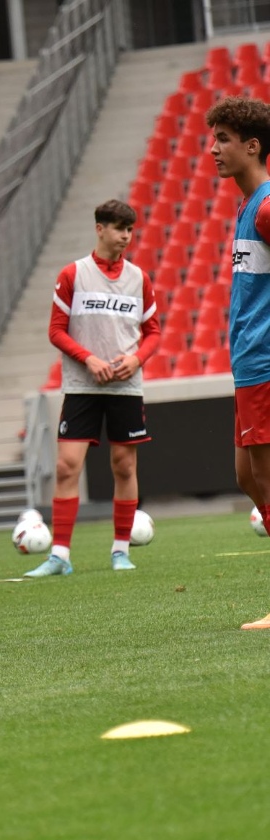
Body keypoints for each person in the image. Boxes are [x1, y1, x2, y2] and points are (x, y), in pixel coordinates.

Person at [24, 199, 159, 578]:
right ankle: (60, 556)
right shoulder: (73, 275)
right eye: (119, 229)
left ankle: (120, 551)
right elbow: (55, 330)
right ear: (99, 229)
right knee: (67, 467)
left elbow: (153, 333)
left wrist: (136, 360)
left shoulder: (138, 278)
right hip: (82, 386)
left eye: (130, 230)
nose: (126, 237)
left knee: (123, 465)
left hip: (126, 387)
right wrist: (89, 359)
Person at [205, 97, 270, 629]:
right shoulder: (248, 208)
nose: (213, 149)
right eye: (212, 138)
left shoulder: (268, 207)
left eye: (223, 138)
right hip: (249, 366)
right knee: (247, 476)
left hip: (267, 365)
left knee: (267, 481)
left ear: (253, 147)